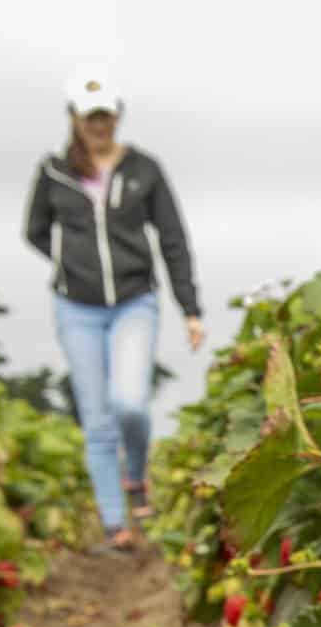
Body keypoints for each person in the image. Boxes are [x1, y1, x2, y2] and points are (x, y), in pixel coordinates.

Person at [24, 65, 205, 553]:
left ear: (117, 116)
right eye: (89, 117)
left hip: (133, 301)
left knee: (130, 401)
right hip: (75, 307)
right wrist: (70, 264)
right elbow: (35, 231)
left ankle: (137, 474)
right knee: (97, 418)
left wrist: (190, 308)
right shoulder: (52, 172)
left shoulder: (144, 170)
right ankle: (113, 523)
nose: (98, 125)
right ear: (74, 119)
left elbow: (172, 239)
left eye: (105, 116)